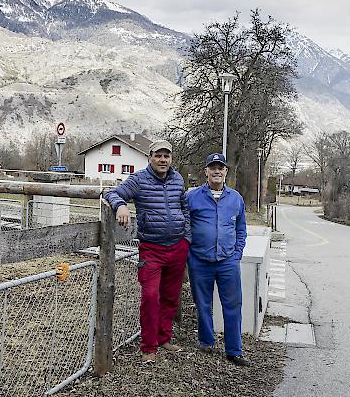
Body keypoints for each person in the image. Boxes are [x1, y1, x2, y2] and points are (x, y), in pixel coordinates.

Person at [103, 140, 191, 363]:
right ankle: (148, 347)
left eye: (166, 156)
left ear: (171, 158)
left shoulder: (178, 178)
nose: (163, 160)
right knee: (150, 297)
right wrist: (120, 205)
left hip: (177, 247)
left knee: (170, 297)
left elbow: (184, 208)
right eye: (158, 155)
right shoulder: (139, 179)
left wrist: (186, 238)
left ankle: (165, 338)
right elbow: (111, 193)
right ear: (150, 157)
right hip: (152, 249)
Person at [186, 153, 249, 366]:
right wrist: (189, 252)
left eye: (220, 167)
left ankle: (234, 350)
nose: (216, 171)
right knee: (202, 303)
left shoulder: (236, 198)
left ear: (225, 172)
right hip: (199, 260)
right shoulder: (192, 197)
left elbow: (241, 228)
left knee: (232, 304)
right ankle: (206, 341)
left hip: (227, 261)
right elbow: (184, 226)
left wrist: (237, 253)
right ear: (206, 171)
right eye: (212, 167)